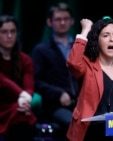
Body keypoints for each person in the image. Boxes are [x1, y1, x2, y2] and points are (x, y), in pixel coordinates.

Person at [31, 2, 78, 138]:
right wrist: (58, 94)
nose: (62, 22)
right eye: (58, 19)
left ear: (72, 21)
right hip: (55, 106)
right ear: (49, 22)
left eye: (66, 19)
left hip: (81, 103)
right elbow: (36, 81)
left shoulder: (81, 47)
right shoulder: (41, 50)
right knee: (74, 123)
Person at [0, 15, 36, 141]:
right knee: (22, 114)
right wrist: (22, 95)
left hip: (17, 105)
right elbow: (3, 81)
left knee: (22, 113)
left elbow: (29, 87)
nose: (9, 36)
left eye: (13, 31)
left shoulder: (24, 59)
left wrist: (25, 100)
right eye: (4, 32)